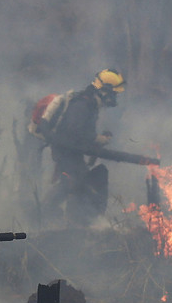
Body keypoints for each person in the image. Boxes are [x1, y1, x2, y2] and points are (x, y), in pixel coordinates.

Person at [40, 69, 125, 223]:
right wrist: (97, 139)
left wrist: (95, 141)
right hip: (66, 150)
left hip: (70, 151)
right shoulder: (83, 105)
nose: (115, 97)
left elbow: (79, 133)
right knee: (74, 183)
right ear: (104, 91)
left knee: (78, 182)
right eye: (114, 93)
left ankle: (63, 218)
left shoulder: (90, 104)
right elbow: (74, 131)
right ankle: (46, 216)